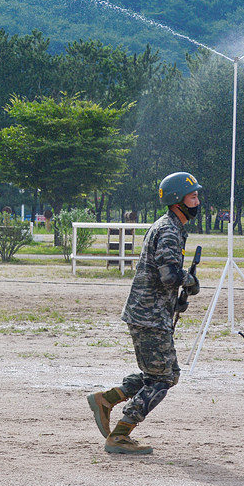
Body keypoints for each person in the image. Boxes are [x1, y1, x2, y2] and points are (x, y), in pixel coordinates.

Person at [87, 172, 202, 455]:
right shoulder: (169, 231)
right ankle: (120, 434)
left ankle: (107, 399)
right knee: (165, 377)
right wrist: (189, 281)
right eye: (193, 196)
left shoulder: (171, 226)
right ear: (177, 200)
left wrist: (178, 300)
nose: (198, 201)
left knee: (155, 374)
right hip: (149, 316)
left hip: (149, 313)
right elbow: (167, 275)